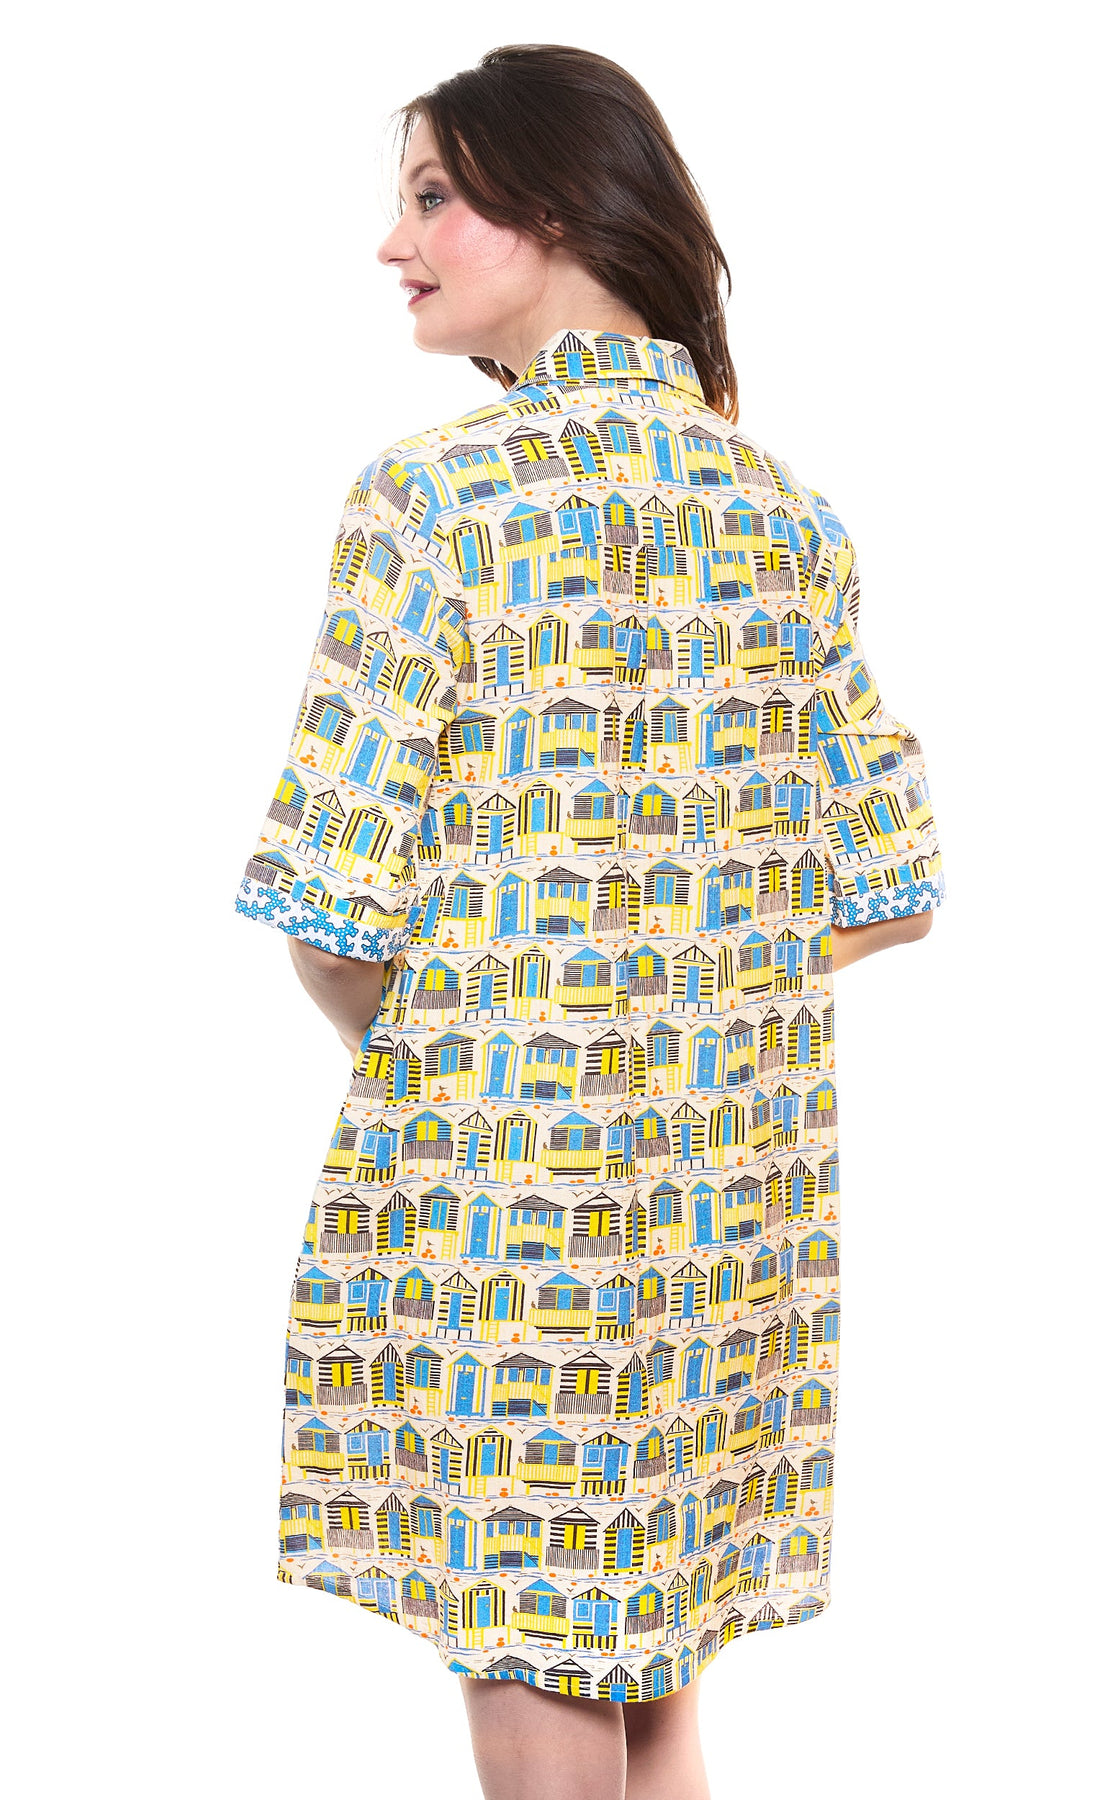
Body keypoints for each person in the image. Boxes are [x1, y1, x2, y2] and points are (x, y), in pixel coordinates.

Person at [233, 43, 944, 1800]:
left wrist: (490, 1060)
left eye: (429, 196)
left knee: (539, 1674)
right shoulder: (780, 516)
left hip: (506, 1209)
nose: (392, 243)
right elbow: (888, 879)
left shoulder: (434, 504)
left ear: (548, 204)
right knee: (654, 1691)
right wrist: (689, 1011)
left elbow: (329, 906)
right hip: (726, 1214)